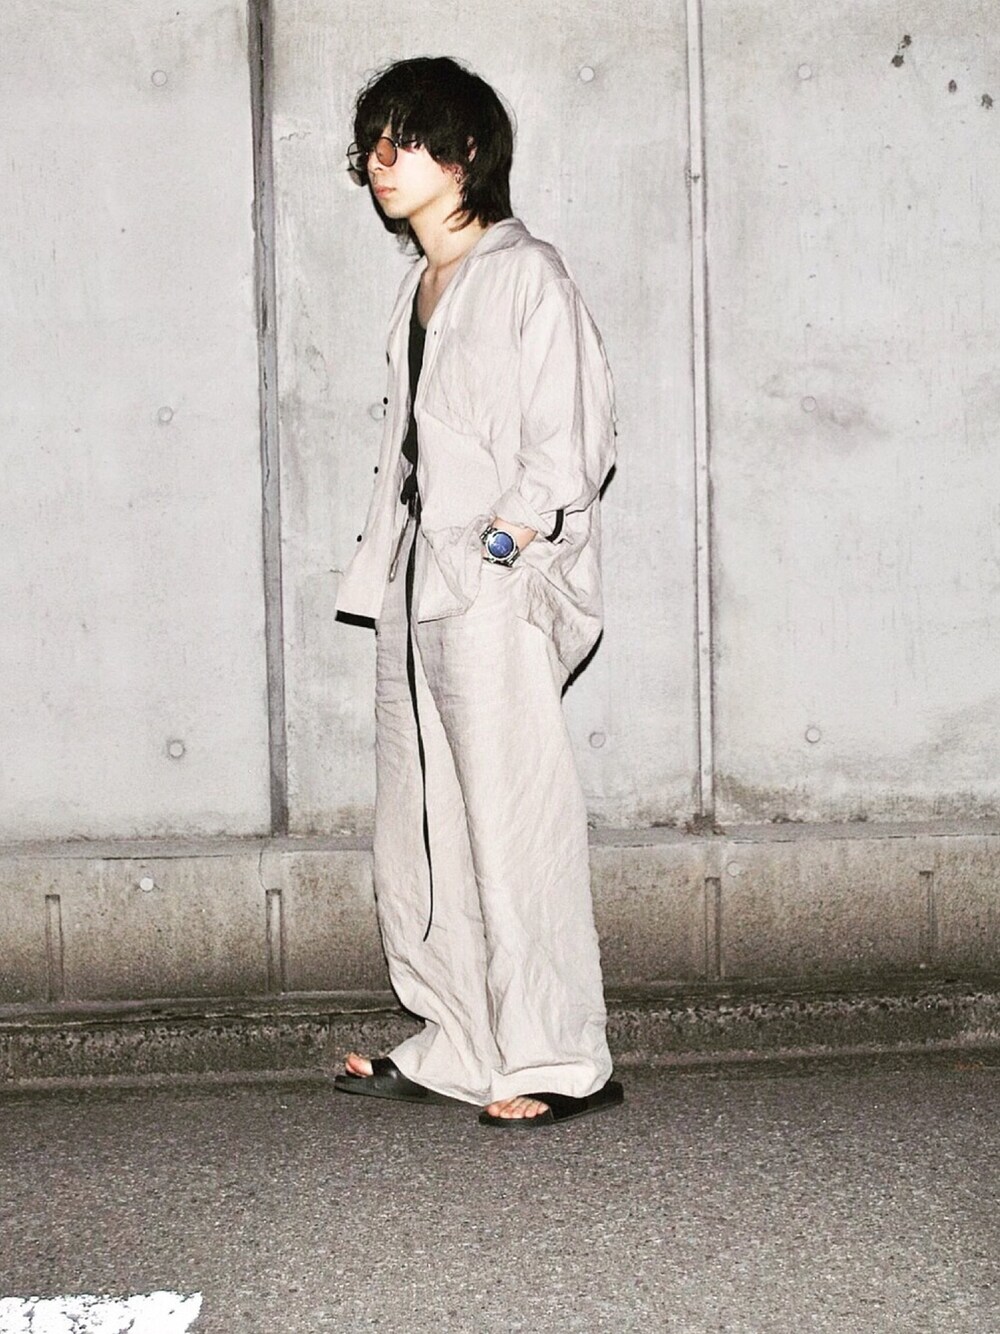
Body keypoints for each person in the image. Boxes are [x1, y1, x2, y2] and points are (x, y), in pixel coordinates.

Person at [332, 55, 622, 1128]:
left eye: (402, 139)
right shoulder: (421, 285)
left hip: (487, 582)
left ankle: (559, 1057)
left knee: (512, 824)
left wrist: (500, 545)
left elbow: (572, 438)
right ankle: (458, 1041)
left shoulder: (526, 273)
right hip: (414, 576)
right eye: (371, 142)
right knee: (418, 828)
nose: (380, 161)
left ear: (464, 155)